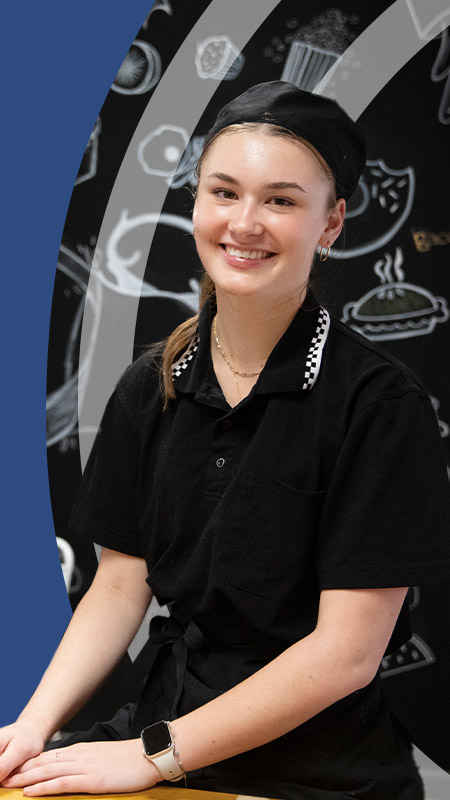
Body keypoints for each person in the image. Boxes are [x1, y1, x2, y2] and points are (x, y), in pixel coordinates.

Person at [1, 81, 449, 800]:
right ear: (195, 204)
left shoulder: (381, 406)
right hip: (159, 729)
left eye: (281, 200)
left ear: (331, 223)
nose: (244, 223)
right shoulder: (150, 383)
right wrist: (30, 728)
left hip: (316, 770)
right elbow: (118, 585)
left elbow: (345, 655)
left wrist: (154, 758)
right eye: (224, 192)